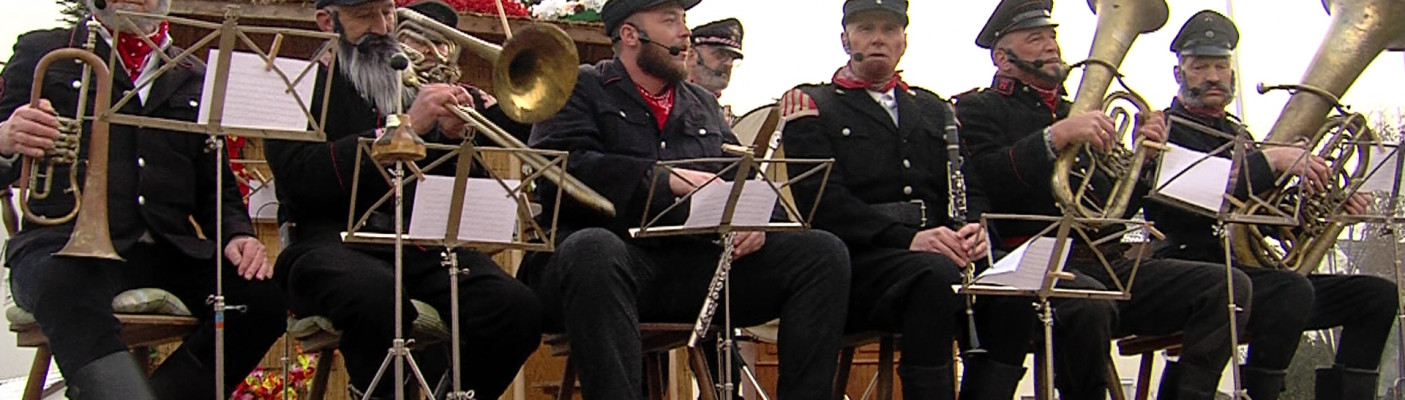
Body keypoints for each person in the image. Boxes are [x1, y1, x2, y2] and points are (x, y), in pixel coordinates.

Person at [520, 0, 851, 398]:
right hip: (607, 267)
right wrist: (661, 179)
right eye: (670, 21)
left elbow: (743, 177)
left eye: (684, 20)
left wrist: (758, 221)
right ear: (629, 35)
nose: (685, 33)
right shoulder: (577, 86)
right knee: (594, 249)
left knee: (821, 253)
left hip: (690, 267)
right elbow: (560, 171)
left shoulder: (702, 103)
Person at [956, 1, 1251, 399]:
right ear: (1003, 58)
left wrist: (1144, 162)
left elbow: (1112, 212)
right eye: (1035, 39)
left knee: (1225, 286)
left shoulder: (1076, 111)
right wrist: (1055, 137)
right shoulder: (978, 108)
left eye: (1052, 36)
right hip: (1029, 261)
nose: (1051, 47)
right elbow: (992, 176)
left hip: (1104, 266)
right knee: (1090, 305)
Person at [0, 0, 285, 398]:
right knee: (67, 287)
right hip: (60, 244)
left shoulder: (192, 74)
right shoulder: (44, 50)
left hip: (166, 249)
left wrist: (238, 233)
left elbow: (214, 185)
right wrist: (6, 139)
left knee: (261, 300)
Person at [264, 0, 541, 397]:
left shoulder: (411, 82)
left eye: (389, 13)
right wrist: (407, 127)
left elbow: (449, 195)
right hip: (326, 242)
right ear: (328, 21)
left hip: (416, 246)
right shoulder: (296, 84)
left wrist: (449, 138)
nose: (382, 27)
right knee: (377, 295)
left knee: (516, 308)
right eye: (365, 16)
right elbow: (298, 181)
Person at [779, 0, 1048, 398]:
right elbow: (822, 202)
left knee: (1010, 290)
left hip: (939, 252)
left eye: (889, 30)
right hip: (863, 265)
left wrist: (974, 228)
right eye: (866, 29)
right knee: (935, 278)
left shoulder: (933, 107)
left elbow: (969, 185)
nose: (877, 39)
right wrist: (907, 239)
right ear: (845, 39)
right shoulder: (814, 104)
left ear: (903, 41)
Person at [1145, 10, 1399, 400]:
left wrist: (1330, 211)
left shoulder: (1240, 134)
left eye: (1221, 65)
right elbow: (1187, 201)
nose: (1213, 76)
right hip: (1193, 270)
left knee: (1377, 296)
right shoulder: (1163, 129)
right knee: (1291, 291)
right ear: (1179, 74)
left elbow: (1267, 221)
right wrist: (1270, 162)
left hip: (1257, 278)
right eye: (1200, 67)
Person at [395, 0, 533, 143]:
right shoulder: (380, 96)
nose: (428, 50)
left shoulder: (469, 97)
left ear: (450, 49)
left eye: (437, 43)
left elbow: (528, 134)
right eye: (419, 42)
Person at [685, 17, 742, 122]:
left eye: (732, 58)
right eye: (720, 55)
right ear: (691, 55)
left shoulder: (726, 121)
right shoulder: (668, 106)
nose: (729, 63)